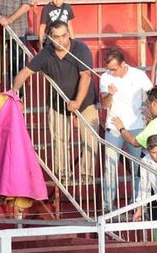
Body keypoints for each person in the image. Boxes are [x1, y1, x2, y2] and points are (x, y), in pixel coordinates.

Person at [11, 21, 97, 184]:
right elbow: (25, 73)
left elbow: (86, 76)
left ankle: (87, 176)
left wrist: (77, 102)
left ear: (68, 34)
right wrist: (14, 94)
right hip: (58, 103)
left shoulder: (80, 48)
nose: (61, 40)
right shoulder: (46, 53)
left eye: (64, 35)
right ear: (50, 37)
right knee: (59, 139)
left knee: (90, 138)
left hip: (85, 101)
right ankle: (64, 174)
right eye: (57, 37)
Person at [100, 48, 152, 209]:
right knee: (110, 167)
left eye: (114, 69)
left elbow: (151, 92)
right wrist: (109, 94)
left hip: (136, 126)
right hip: (114, 127)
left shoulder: (138, 74)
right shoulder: (105, 77)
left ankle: (136, 204)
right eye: (109, 69)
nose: (112, 72)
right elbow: (104, 104)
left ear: (123, 64)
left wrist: (148, 109)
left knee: (137, 167)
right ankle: (108, 206)